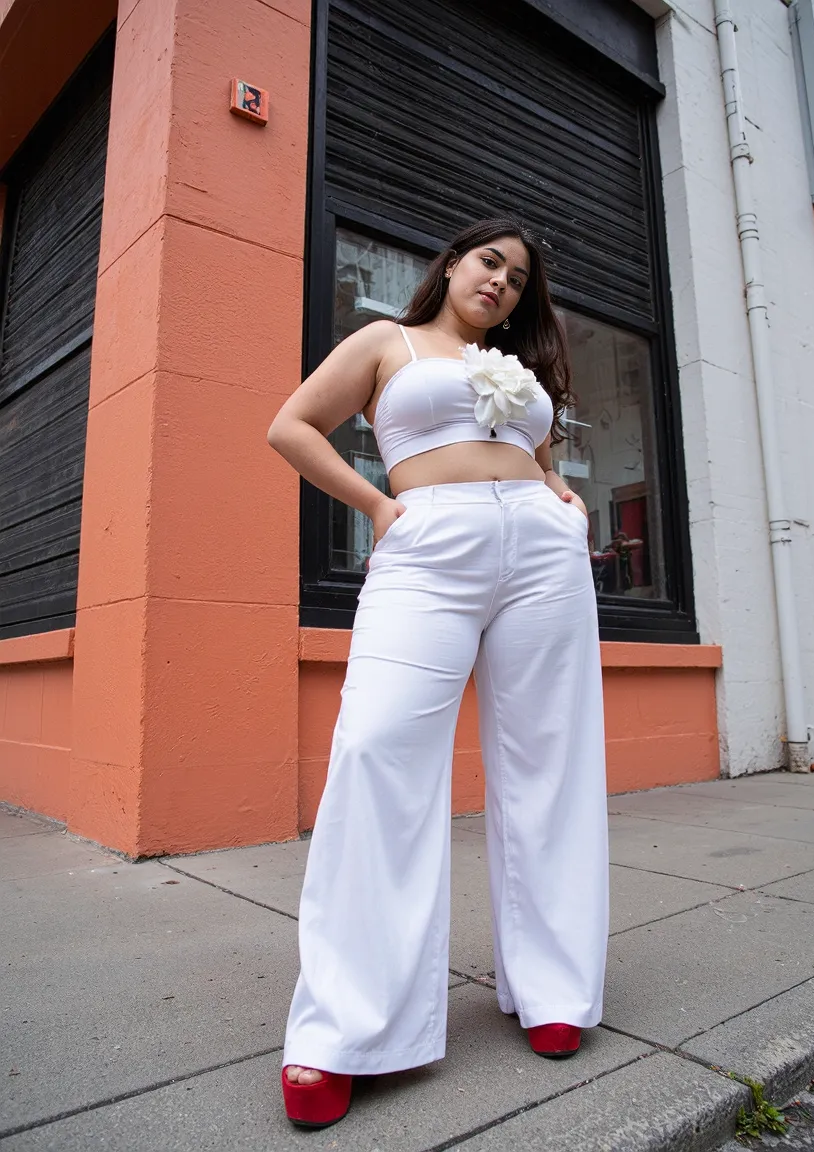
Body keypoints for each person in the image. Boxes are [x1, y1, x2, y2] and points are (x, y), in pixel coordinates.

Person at [267, 218, 609, 1129]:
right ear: (454, 263)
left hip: (542, 556)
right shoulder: (389, 342)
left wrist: (563, 493)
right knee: (377, 750)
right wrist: (381, 507)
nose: (500, 281)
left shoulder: (524, 372)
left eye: (518, 276)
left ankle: (556, 991)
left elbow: (539, 457)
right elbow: (291, 425)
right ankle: (346, 1029)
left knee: (551, 761)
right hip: (427, 546)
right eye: (489, 261)